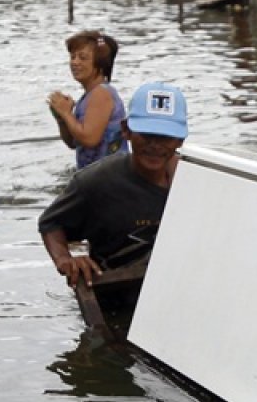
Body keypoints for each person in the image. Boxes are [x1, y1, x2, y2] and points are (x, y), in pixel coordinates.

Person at [38, 81, 188, 288]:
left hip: (173, 287)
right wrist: (65, 259)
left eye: (165, 138)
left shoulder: (194, 182)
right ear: (126, 131)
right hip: (113, 290)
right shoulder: (96, 181)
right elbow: (50, 223)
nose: (155, 146)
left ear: (180, 139)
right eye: (146, 135)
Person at [47, 30, 128, 169]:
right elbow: (73, 142)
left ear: (100, 64)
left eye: (82, 58)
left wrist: (67, 113)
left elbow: (89, 139)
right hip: (94, 175)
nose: (75, 62)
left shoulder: (101, 94)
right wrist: (62, 118)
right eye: (72, 57)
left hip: (109, 176)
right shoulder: (89, 95)